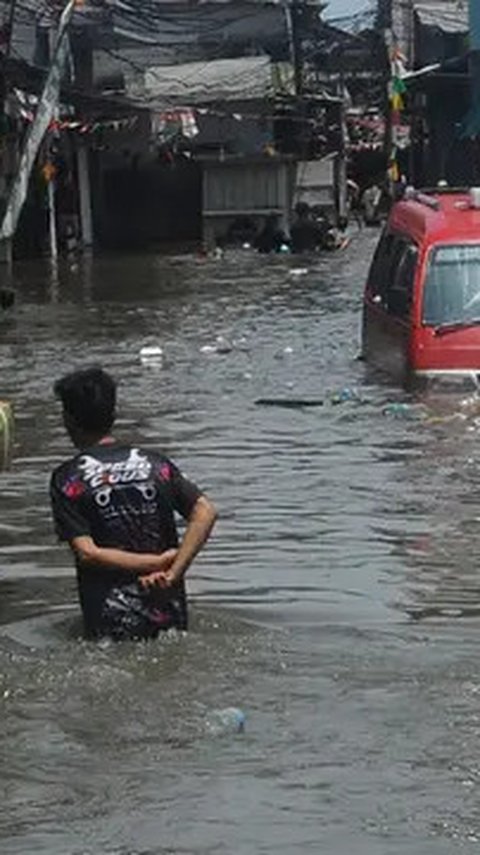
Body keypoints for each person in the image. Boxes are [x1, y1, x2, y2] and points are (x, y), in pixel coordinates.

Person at [50, 366, 217, 640]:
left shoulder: (68, 479)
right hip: (168, 611)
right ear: (113, 414)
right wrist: (171, 573)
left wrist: (152, 563)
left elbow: (88, 553)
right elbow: (205, 512)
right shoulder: (156, 465)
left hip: (110, 621)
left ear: (68, 419)